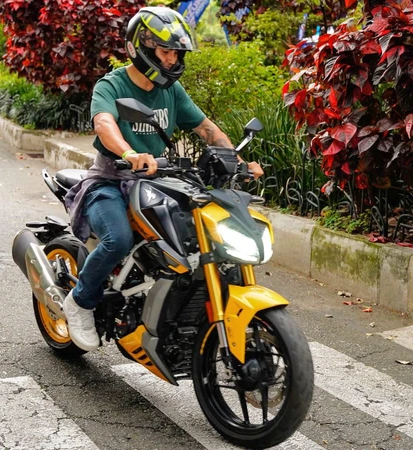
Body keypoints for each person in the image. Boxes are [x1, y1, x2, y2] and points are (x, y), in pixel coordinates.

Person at [62, 7, 264, 351]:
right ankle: (80, 302)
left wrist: (236, 160)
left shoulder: (172, 90)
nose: (171, 60)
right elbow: (104, 123)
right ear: (141, 48)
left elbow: (205, 127)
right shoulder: (112, 84)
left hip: (156, 181)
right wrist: (129, 154)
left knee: (193, 238)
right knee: (118, 240)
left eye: (176, 53)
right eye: (165, 51)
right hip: (111, 180)